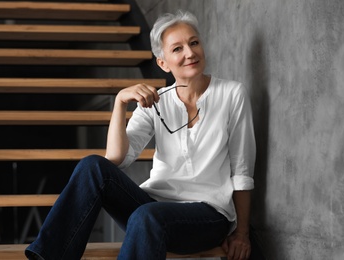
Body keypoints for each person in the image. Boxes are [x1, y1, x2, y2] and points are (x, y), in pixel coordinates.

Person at [25, 10, 256, 260]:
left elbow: (242, 170)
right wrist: (120, 102)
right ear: (163, 63)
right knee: (92, 166)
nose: (190, 53)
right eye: (177, 49)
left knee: (147, 216)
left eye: (194, 43)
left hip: (209, 214)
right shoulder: (156, 102)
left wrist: (241, 233)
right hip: (152, 207)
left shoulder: (232, 94)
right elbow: (115, 159)